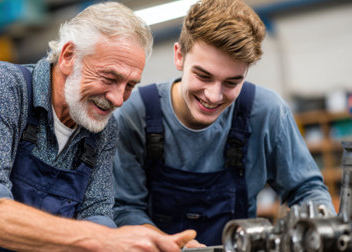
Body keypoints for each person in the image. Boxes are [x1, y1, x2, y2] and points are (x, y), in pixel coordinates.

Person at [0, 2, 196, 251]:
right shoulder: (2, 87)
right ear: (68, 56)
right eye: (109, 78)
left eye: (130, 85)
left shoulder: (102, 129)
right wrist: (106, 239)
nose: (118, 99)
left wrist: (138, 242)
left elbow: (95, 215)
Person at [112, 0, 335, 247]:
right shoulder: (135, 115)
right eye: (203, 76)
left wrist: (321, 231)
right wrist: (171, 245)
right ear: (179, 56)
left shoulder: (267, 113)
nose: (214, 96)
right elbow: (125, 208)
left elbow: (306, 190)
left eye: (231, 83)